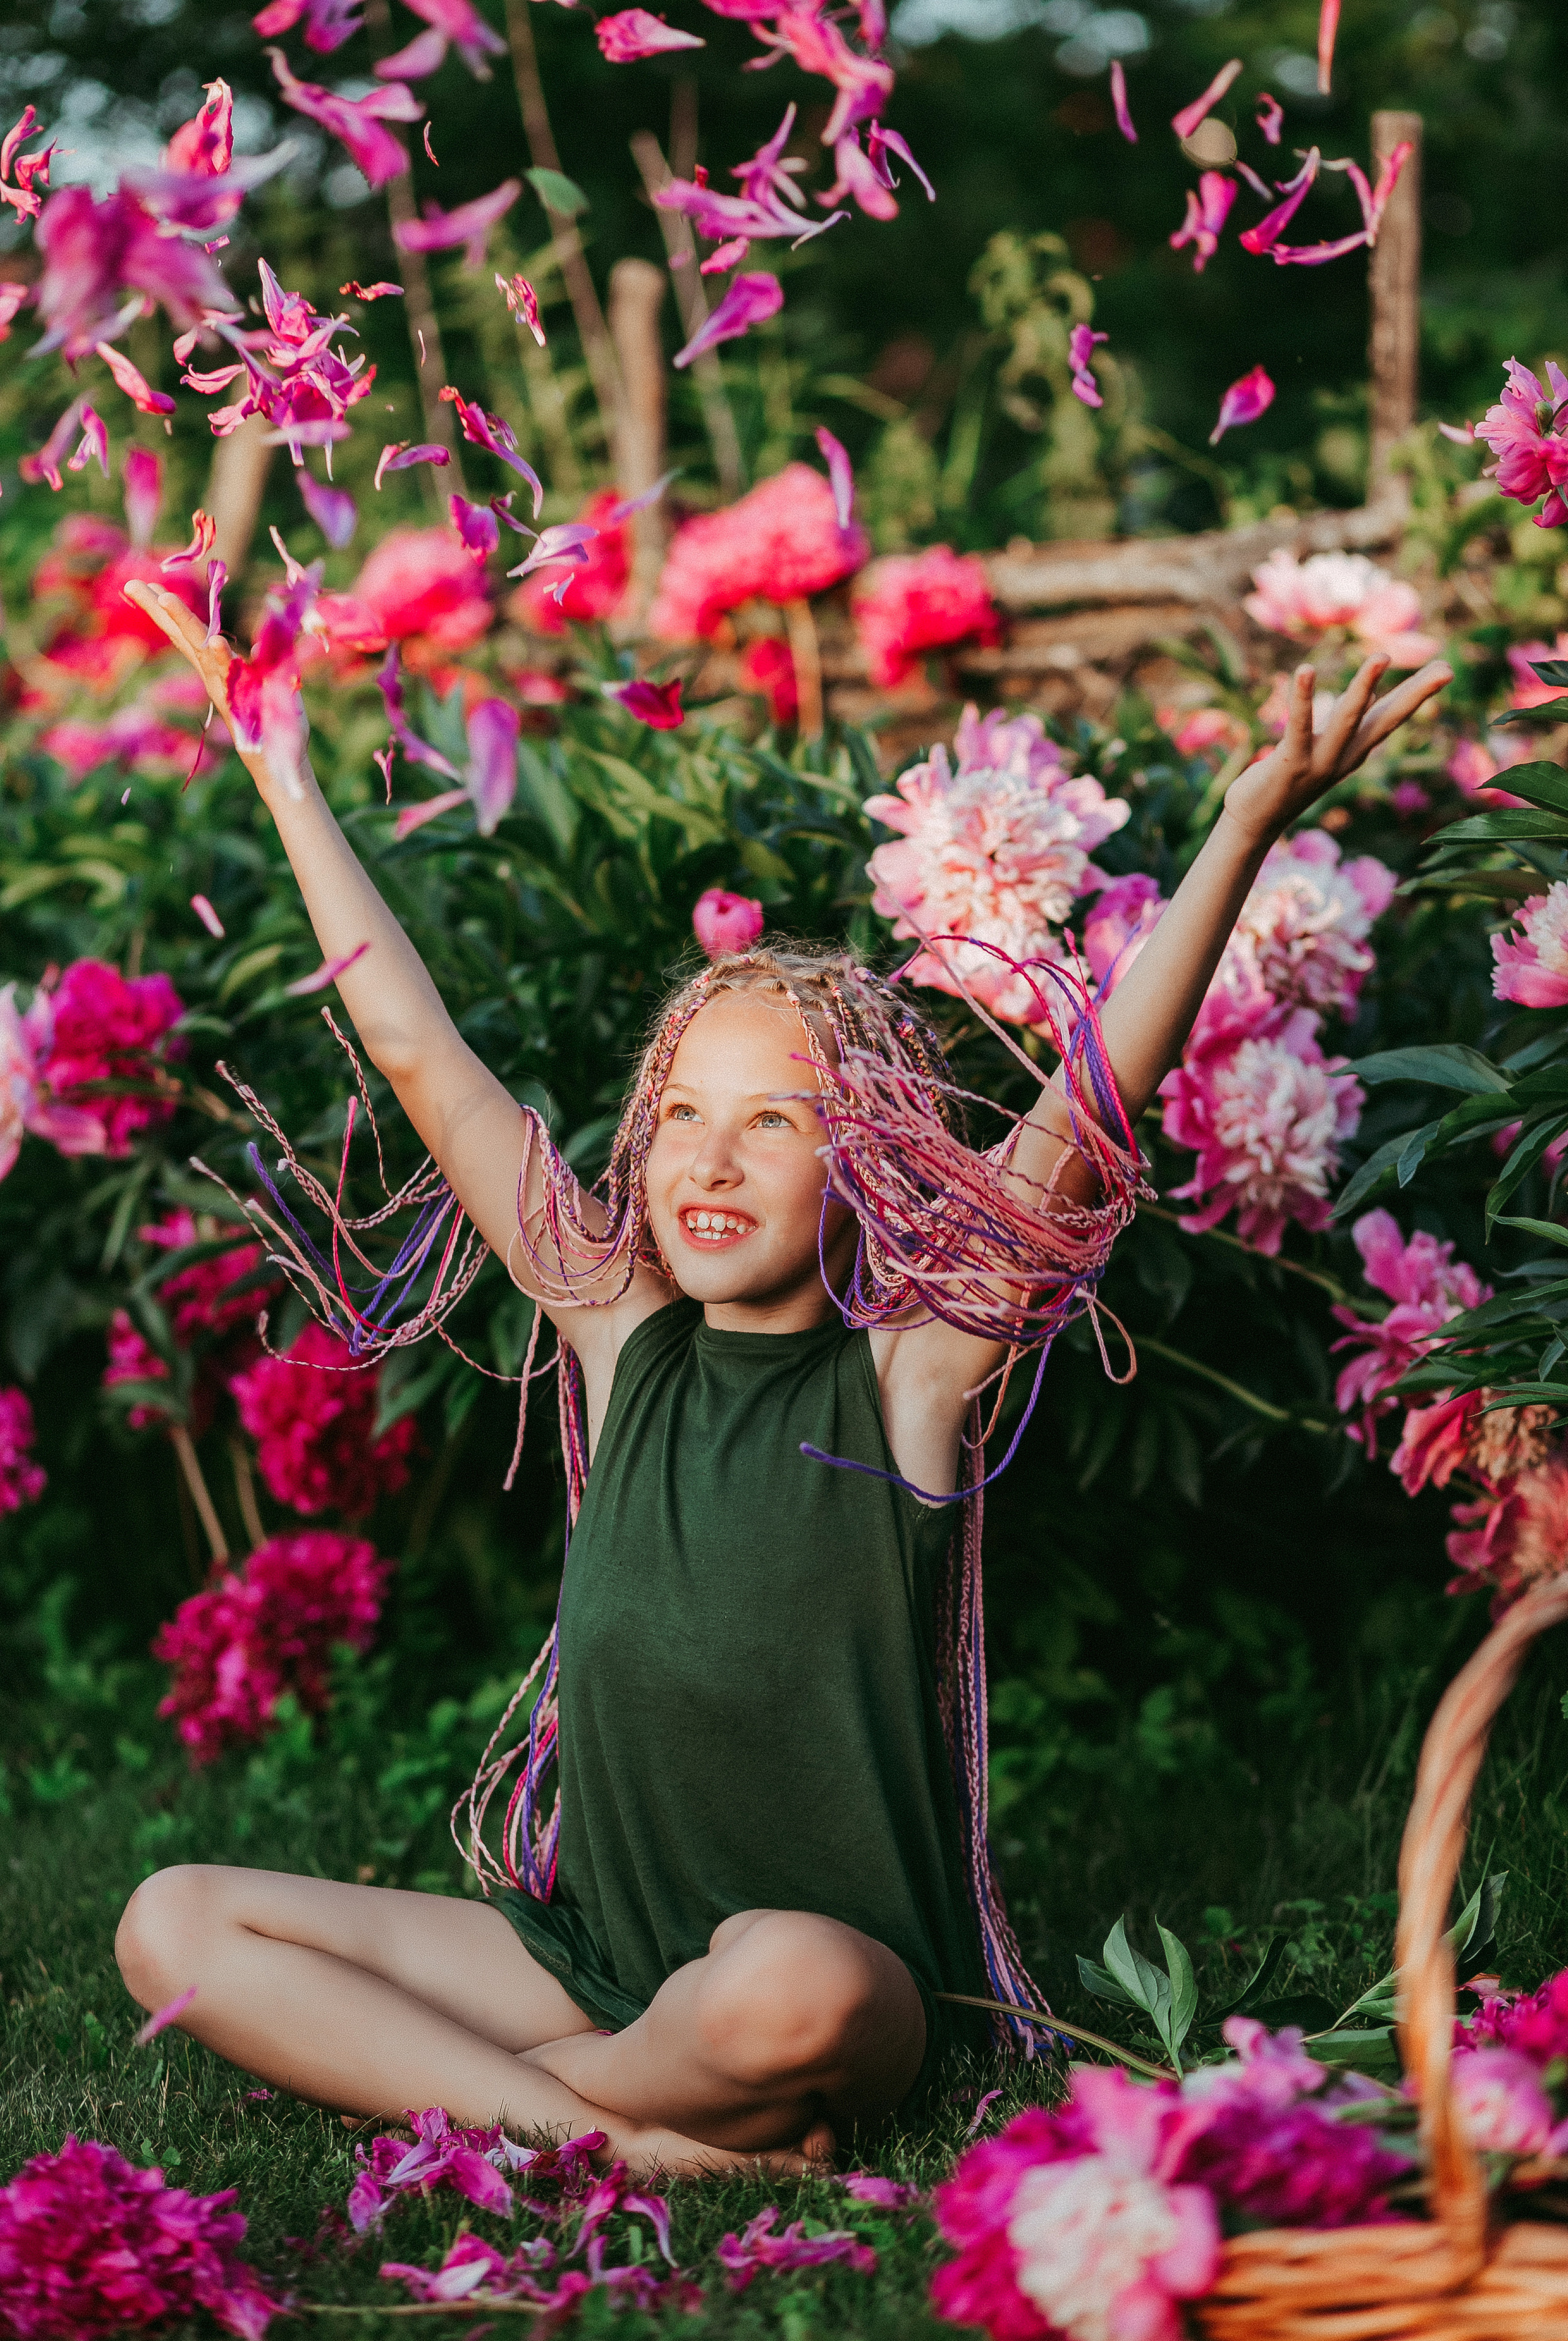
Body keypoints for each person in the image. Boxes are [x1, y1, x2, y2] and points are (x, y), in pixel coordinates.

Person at [114, 576, 1449, 2174]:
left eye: (772, 1122)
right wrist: (279, 762)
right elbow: (419, 1054)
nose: (710, 1159)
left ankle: (499, 2093)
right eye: (682, 1114)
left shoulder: (910, 1380)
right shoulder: (621, 1337)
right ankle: (643, 2135)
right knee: (171, 1919)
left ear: (863, 1160)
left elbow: (1090, 1112)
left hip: (831, 1979)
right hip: (595, 1953)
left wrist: (1240, 828)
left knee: (790, 1989)